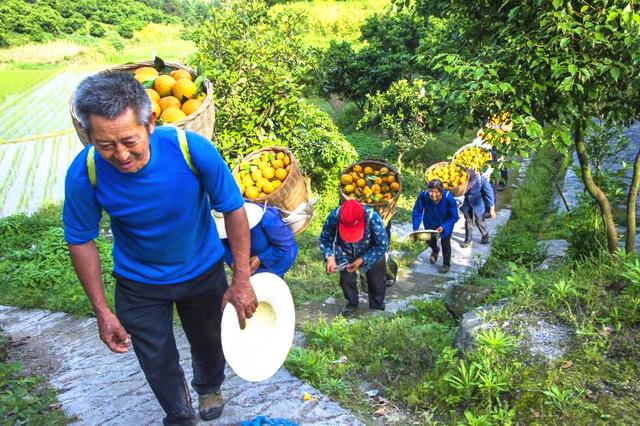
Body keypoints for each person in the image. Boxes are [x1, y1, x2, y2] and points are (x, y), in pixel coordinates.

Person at [63, 72, 257, 426]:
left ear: (150, 122)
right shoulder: (86, 171)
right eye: (106, 145)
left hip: (202, 270)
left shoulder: (189, 150)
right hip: (138, 282)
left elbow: (232, 208)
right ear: (89, 137)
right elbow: (80, 239)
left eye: (128, 140)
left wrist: (241, 278)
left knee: (210, 339)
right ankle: (178, 412)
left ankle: (209, 386)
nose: (120, 154)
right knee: (155, 356)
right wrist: (101, 309)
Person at [319, 199, 389, 316]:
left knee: (376, 282)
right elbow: (325, 238)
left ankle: (377, 306)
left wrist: (362, 260)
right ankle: (351, 303)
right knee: (346, 281)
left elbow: (382, 245)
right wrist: (330, 257)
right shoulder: (335, 216)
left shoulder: (372, 217)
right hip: (344, 252)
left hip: (370, 251)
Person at [215, 203, 298, 277]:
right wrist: (235, 264)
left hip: (278, 260)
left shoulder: (267, 217)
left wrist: (260, 258)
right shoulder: (220, 231)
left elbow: (285, 244)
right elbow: (226, 249)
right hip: (250, 268)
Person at [412, 179, 459, 273]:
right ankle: (435, 250)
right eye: (431, 191)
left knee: (445, 243)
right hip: (430, 222)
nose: (433, 195)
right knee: (429, 240)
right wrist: (415, 227)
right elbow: (417, 211)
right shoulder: (424, 196)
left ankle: (446, 264)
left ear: (441, 191)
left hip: (445, 223)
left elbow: (454, 216)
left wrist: (444, 226)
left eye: (436, 192)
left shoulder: (448, 198)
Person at [460, 169, 496, 248]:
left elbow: (489, 193)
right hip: (466, 202)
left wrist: (492, 209)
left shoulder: (481, 178)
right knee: (468, 220)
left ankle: (485, 235)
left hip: (477, 202)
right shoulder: (460, 177)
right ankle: (467, 240)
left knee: (479, 220)